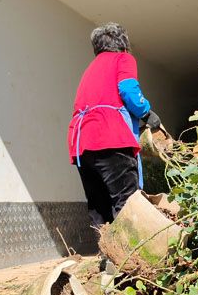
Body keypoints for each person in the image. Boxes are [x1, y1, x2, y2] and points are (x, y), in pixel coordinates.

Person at [68, 23, 161, 226]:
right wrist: (146, 112)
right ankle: (127, 255)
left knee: (99, 205)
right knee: (127, 202)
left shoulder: (90, 69)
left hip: (81, 144)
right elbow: (128, 90)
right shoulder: (123, 58)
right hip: (110, 137)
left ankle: (106, 254)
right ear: (124, 45)